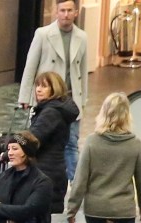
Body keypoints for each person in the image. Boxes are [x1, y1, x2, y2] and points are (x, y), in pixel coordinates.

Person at [65, 92, 141, 223]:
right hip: (123, 210)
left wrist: (72, 208)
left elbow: (80, 179)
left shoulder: (92, 142)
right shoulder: (135, 144)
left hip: (96, 210)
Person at [18, 0, 87, 180]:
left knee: (72, 144)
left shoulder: (82, 37)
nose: (66, 14)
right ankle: (35, 179)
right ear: (56, 12)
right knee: (40, 139)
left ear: (76, 12)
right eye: (62, 10)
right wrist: (25, 96)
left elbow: (83, 73)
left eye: (69, 10)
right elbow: (30, 66)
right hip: (47, 99)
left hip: (70, 100)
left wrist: (84, 100)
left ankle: (75, 183)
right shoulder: (43, 34)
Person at [27, 71, 79, 215]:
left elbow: (33, 138)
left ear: (54, 88)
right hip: (54, 170)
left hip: (45, 171)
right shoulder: (57, 109)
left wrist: (13, 145)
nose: (38, 89)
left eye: (43, 86)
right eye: (37, 85)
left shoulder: (51, 112)